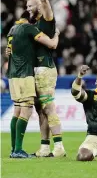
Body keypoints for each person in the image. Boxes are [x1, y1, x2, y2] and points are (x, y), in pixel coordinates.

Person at [7, 11, 59, 158]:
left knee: (17, 111)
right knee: (26, 111)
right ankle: (18, 150)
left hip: (12, 75)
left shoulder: (12, 30)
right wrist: (57, 34)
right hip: (24, 74)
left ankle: (13, 149)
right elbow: (52, 44)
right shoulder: (28, 28)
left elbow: (10, 51)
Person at [27, 0, 65, 157]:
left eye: (30, 5)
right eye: (26, 7)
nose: (28, 9)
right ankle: (44, 147)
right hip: (35, 70)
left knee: (48, 107)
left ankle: (59, 147)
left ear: (40, 6)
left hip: (45, 69)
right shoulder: (32, 26)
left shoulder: (47, 19)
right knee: (40, 110)